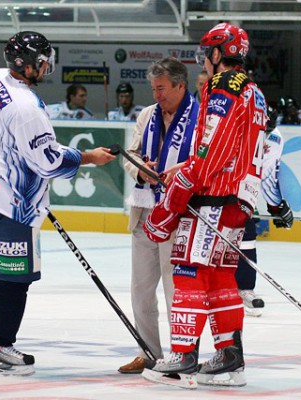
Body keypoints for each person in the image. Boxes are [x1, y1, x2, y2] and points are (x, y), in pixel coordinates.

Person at [0, 31, 115, 376]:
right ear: (24, 64)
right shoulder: (27, 107)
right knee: (15, 278)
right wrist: (89, 157)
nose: (47, 67)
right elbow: (48, 162)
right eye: (42, 61)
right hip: (9, 204)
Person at [141, 22, 268, 388]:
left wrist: (176, 192)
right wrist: (183, 168)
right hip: (237, 200)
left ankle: (182, 356)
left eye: (206, 53)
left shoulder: (224, 88)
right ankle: (230, 357)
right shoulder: (254, 91)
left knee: (189, 272)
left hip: (213, 196)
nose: (204, 61)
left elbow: (210, 155)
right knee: (221, 277)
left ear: (218, 53)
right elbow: (230, 149)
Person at [118, 57, 199, 375]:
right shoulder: (147, 115)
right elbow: (132, 154)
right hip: (145, 211)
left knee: (175, 289)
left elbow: (202, 161)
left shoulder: (200, 117)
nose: (156, 95)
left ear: (180, 85)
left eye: (162, 88)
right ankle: (147, 352)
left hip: (180, 214)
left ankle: (182, 352)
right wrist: (142, 171)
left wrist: (180, 173)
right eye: (153, 88)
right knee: (141, 288)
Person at [236, 105, 293, 318]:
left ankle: (244, 289)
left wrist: (276, 205)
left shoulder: (274, 138)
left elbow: (268, 175)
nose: (265, 135)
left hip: (243, 189)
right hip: (219, 187)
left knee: (247, 235)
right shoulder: (236, 129)